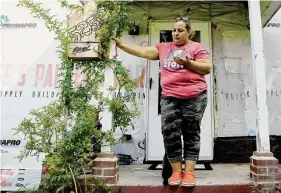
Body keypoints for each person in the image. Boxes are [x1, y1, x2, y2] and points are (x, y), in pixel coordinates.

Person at [112, 17, 212, 187]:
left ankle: (189, 173)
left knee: (191, 133)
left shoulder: (196, 48)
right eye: (174, 30)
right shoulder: (164, 48)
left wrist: (188, 63)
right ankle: (176, 171)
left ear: (189, 32)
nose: (176, 33)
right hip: (170, 96)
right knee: (169, 133)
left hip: (194, 96)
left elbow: (207, 68)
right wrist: (122, 46)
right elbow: (143, 51)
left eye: (180, 30)